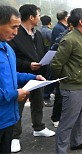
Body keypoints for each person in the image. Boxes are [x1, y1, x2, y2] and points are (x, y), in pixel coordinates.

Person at [8, 4, 55, 153]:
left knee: (38, 102)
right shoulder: (15, 34)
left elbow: (41, 50)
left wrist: (45, 60)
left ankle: (39, 127)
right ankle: (14, 137)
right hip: (21, 75)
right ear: (31, 17)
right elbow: (11, 58)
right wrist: (28, 64)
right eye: (39, 15)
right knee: (18, 106)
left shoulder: (38, 34)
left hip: (37, 74)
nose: (40, 18)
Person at [0, 5, 45, 153]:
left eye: (18, 28)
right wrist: (15, 94)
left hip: (8, 119)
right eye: (13, 27)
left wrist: (33, 77)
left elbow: (13, 75)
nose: (16, 32)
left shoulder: (8, 49)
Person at [51, 8, 82, 154]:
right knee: (67, 122)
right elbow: (56, 63)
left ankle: (76, 142)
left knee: (80, 118)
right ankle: (61, 150)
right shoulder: (69, 39)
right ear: (81, 22)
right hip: (73, 87)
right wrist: (63, 79)